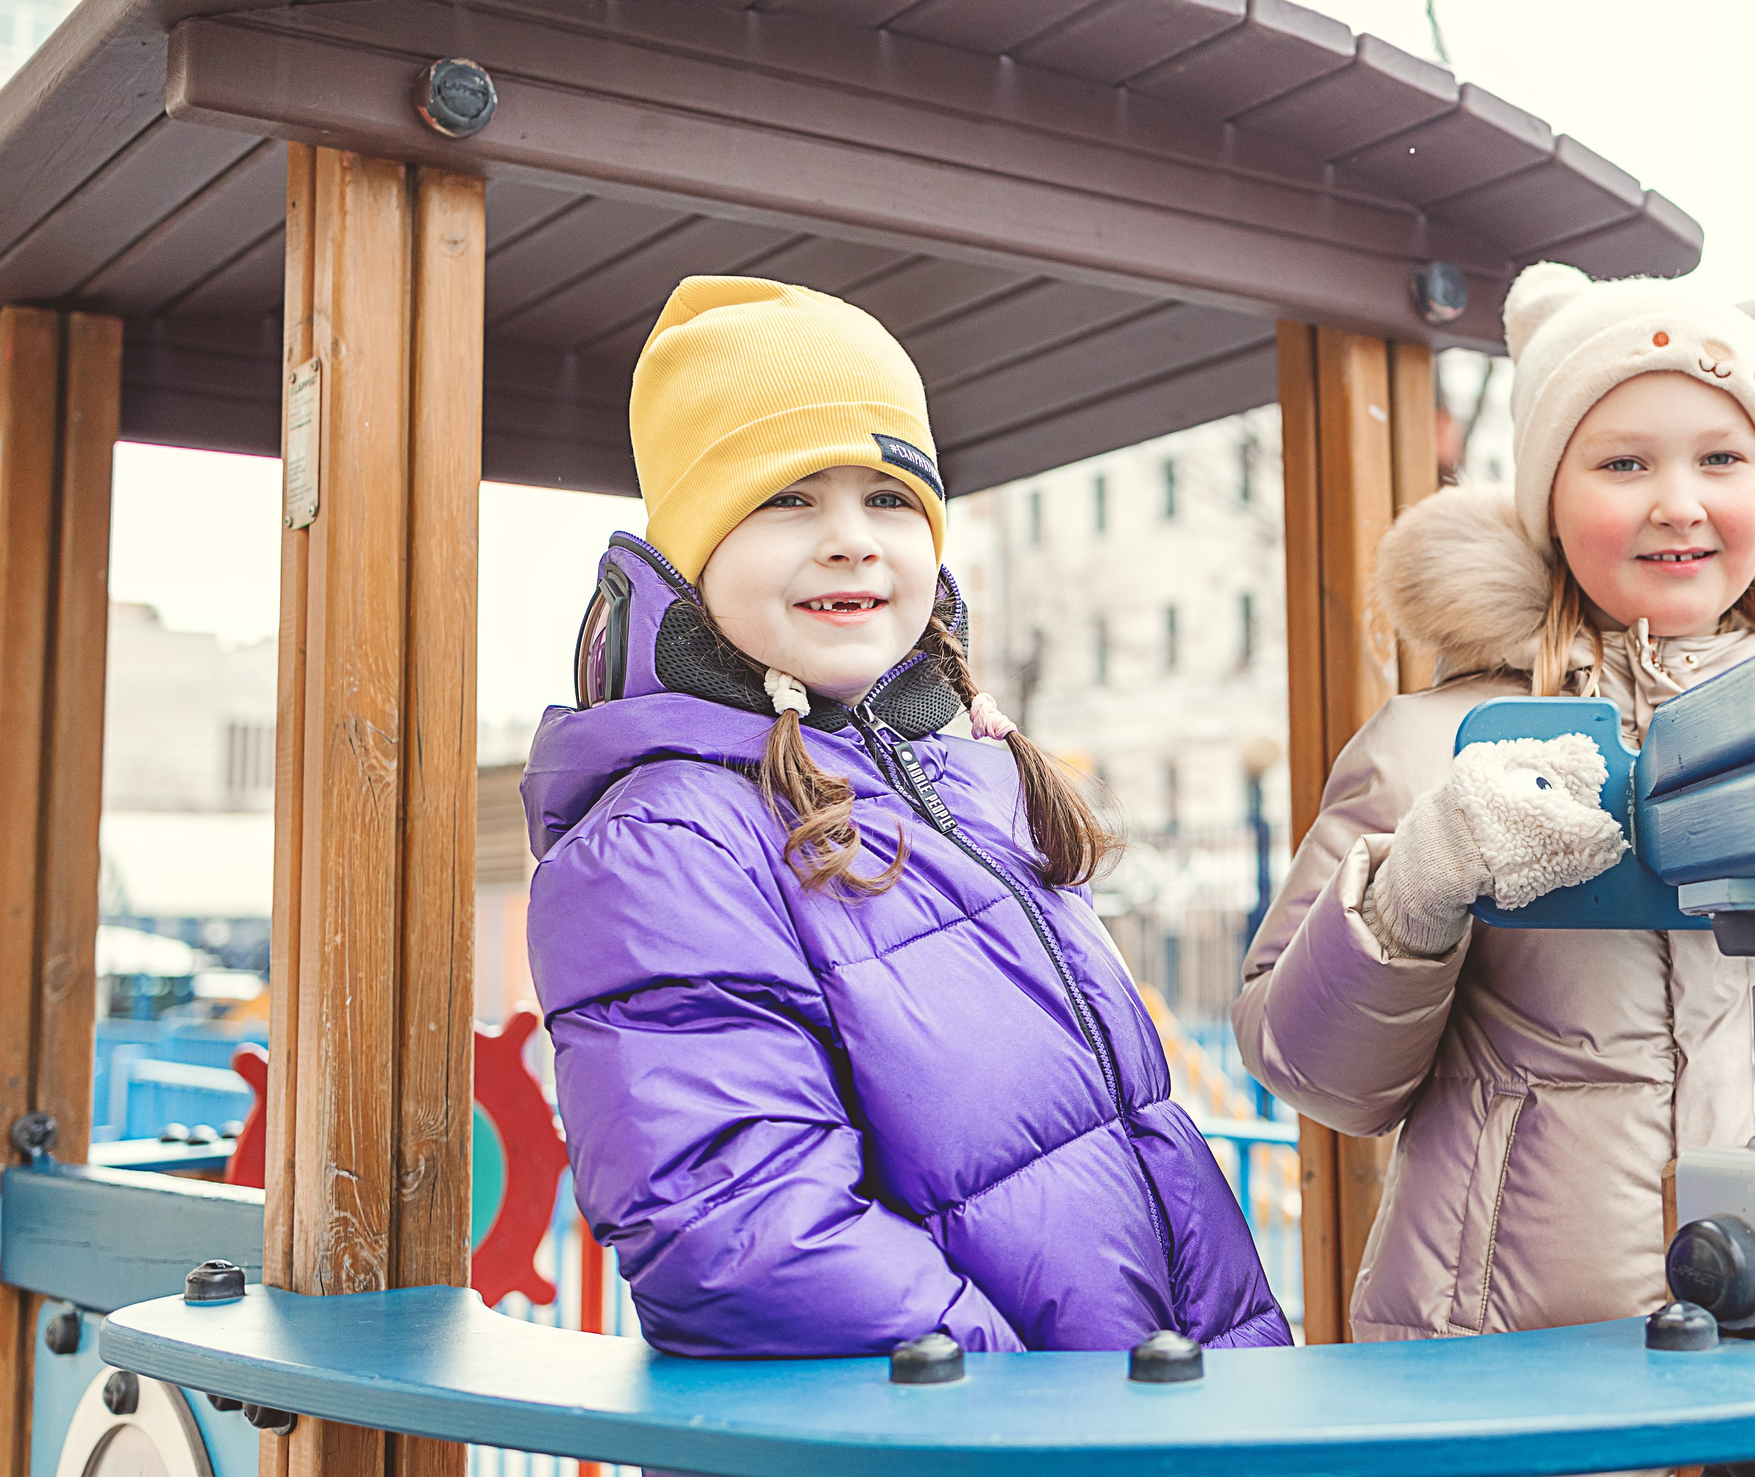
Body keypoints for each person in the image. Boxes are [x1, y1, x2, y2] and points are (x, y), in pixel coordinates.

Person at [1232, 262, 1755, 1341]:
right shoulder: (1432, 747)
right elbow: (1319, 1076)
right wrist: (1416, 883)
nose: (1679, 502)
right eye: (1622, 462)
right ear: (1548, 501)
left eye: (1722, 458)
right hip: (1518, 1363)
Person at [523, 276, 1289, 1358]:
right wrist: (1027, 1416)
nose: (852, 539)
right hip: (979, 1437)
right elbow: (739, 1226)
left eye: (889, 498)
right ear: (692, 557)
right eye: (787, 498)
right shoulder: (667, 838)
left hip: (1152, 1414)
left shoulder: (964, 780)